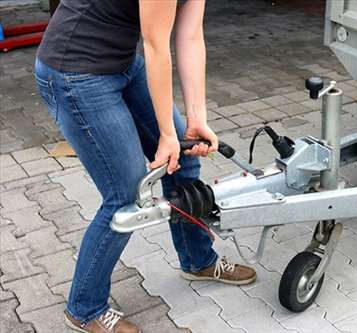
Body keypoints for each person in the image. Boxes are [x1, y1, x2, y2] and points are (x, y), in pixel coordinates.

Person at [35, 1, 256, 332]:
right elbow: (156, 46)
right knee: (126, 195)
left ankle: (198, 261)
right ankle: (85, 308)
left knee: (185, 162)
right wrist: (166, 133)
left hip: (120, 63)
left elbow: (191, 35)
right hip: (75, 72)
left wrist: (197, 120)